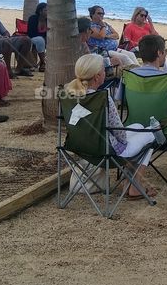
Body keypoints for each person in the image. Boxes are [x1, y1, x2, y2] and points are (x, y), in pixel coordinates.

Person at [66, 54, 160, 199]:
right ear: (97, 77)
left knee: (137, 126)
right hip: (107, 151)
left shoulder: (70, 94)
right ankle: (134, 187)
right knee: (151, 133)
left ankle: (129, 183)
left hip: (82, 147)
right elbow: (119, 132)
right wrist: (125, 142)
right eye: (104, 70)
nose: (106, 72)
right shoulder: (102, 98)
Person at [26, 2, 47, 72]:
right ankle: (43, 62)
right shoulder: (33, 18)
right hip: (32, 38)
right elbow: (31, 33)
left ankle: (45, 63)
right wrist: (43, 35)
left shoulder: (49, 20)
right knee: (40, 40)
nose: (48, 12)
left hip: (44, 39)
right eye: (46, 10)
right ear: (40, 11)